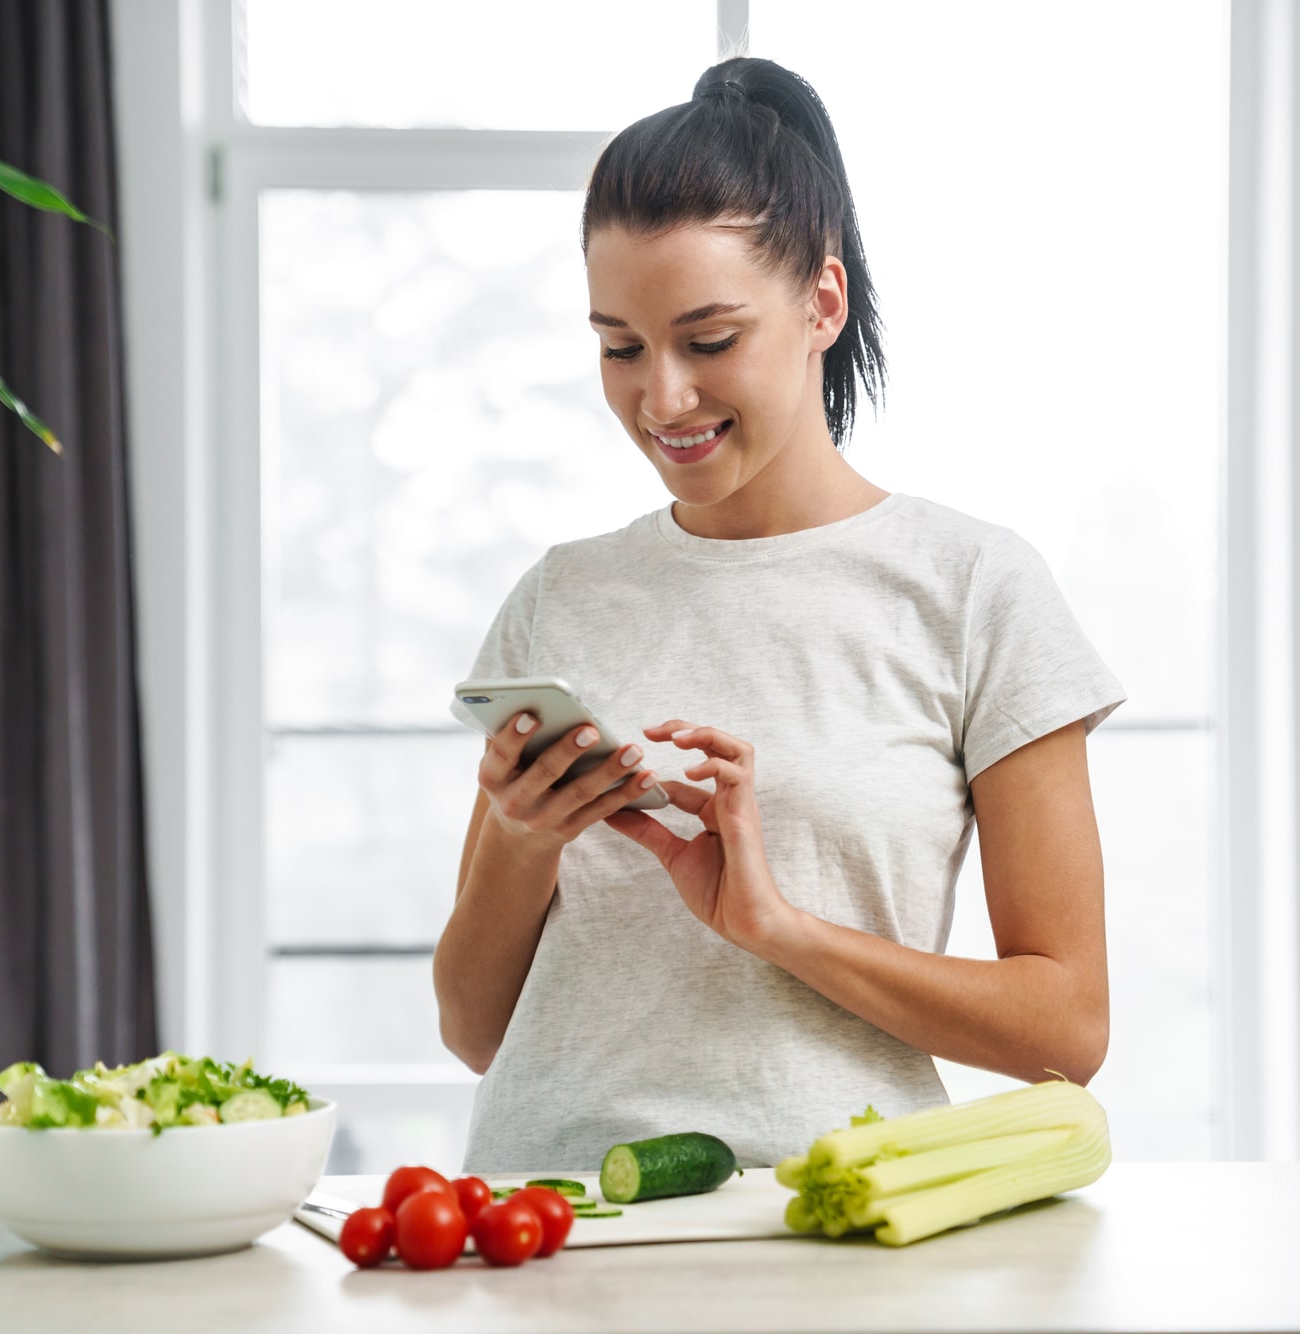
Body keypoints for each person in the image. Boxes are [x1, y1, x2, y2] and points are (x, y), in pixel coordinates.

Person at [432, 57, 1125, 1173]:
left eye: (708, 341)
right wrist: (521, 840)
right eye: (618, 345)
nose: (661, 397)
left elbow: (1067, 1027)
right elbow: (472, 1029)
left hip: (838, 1218)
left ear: (820, 303)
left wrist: (776, 928)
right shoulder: (560, 595)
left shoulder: (972, 588)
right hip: (553, 1223)